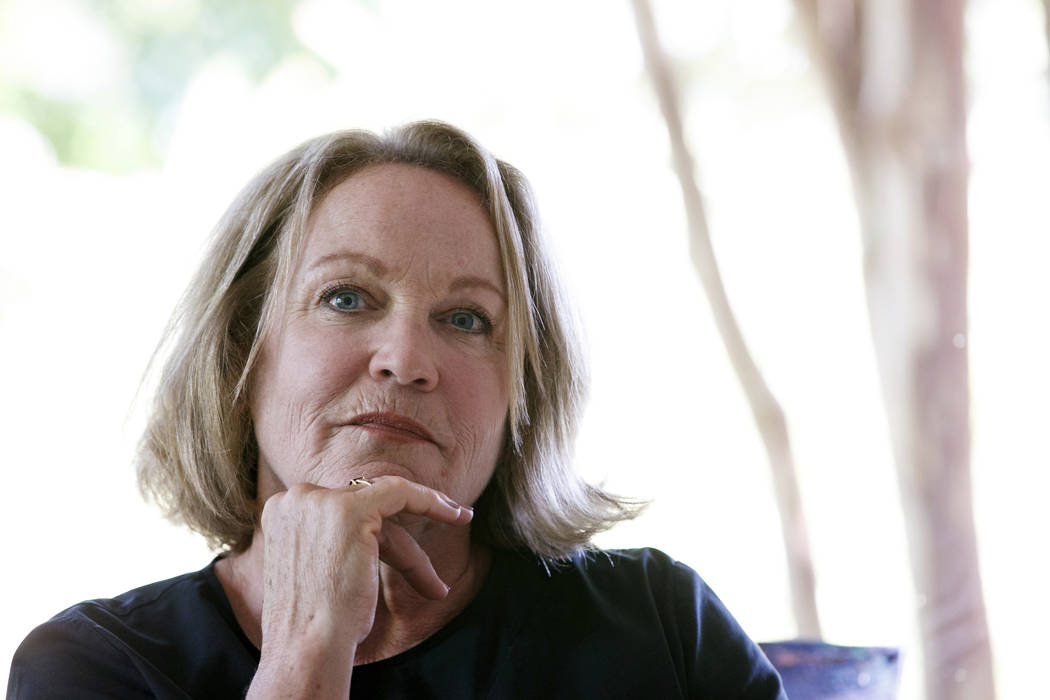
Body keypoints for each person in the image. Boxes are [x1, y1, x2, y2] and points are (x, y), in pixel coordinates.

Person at [8, 121, 785, 699]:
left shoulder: (660, 629)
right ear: (243, 354)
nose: (406, 359)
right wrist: (307, 653)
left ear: (523, 391)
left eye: (466, 319)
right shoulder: (94, 667)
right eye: (346, 298)